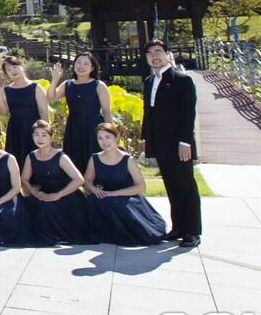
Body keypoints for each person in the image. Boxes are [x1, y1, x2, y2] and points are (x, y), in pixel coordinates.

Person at [141, 40, 201, 247]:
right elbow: (148, 114)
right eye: (150, 53)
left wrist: (186, 142)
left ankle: (192, 230)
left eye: (159, 52)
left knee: (185, 185)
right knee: (171, 186)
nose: (154, 56)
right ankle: (178, 227)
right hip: (160, 142)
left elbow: (188, 114)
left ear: (168, 54)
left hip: (179, 143)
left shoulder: (182, 80)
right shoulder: (149, 81)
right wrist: (146, 140)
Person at [84, 123, 167, 246]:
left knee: (119, 206)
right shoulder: (95, 158)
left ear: (116, 138)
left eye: (108, 137)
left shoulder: (128, 160)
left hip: (127, 197)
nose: (104, 141)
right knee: (91, 202)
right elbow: (86, 180)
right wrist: (94, 189)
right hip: (103, 196)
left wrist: (114, 193)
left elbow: (141, 186)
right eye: (100, 138)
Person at [21, 120, 90, 246]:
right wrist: (34, 192)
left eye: (44, 135)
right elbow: (24, 179)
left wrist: (58, 194)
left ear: (51, 137)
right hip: (43, 193)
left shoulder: (60, 156)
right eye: (36, 134)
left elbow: (79, 179)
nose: (40, 138)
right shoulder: (31, 156)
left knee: (50, 207)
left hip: (65, 194)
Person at [48, 52, 112, 173]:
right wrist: (55, 79)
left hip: (94, 126)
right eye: (78, 62)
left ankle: (96, 187)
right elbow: (51, 98)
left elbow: (107, 112)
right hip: (74, 127)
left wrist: (111, 134)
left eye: (86, 64)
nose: (81, 66)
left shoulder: (99, 85)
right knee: (73, 159)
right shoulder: (68, 84)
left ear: (92, 68)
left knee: (94, 157)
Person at [0, 56, 48, 166]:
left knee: (35, 158)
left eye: (14, 67)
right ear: (6, 74)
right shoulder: (7, 90)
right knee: (16, 160)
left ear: (21, 67)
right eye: (8, 70)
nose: (12, 71)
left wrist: (45, 132)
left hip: (34, 129)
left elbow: (43, 111)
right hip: (15, 129)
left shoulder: (35, 87)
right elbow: (3, 111)